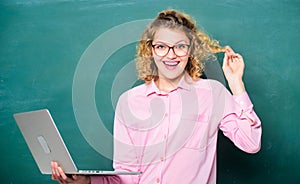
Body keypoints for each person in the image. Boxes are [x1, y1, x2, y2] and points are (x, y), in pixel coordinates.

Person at [51, 9, 262, 184]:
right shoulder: (129, 101)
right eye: (161, 47)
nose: (171, 55)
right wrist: (87, 182)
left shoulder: (212, 93)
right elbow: (126, 178)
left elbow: (251, 143)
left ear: (191, 51)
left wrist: (236, 85)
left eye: (180, 46)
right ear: (150, 50)